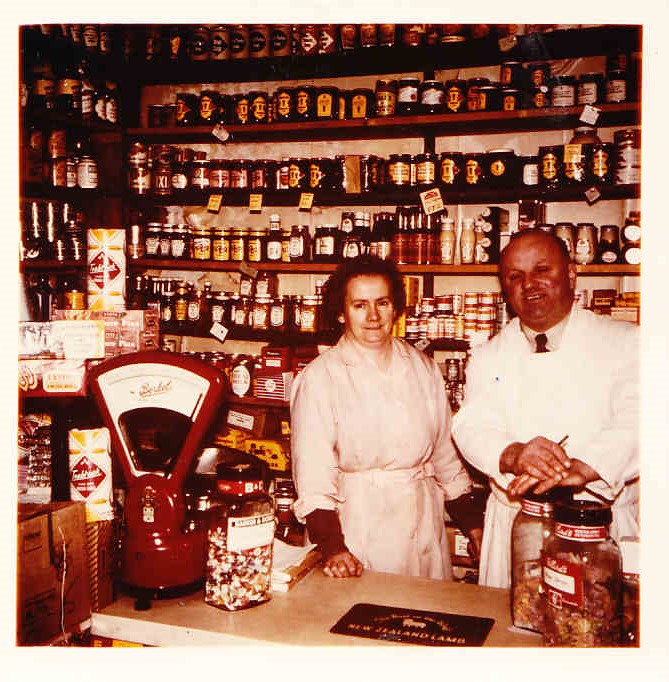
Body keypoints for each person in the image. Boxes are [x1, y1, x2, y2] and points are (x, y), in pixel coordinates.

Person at [452, 229, 639, 589]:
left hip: (595, 523)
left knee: (589, 629)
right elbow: (473, 425)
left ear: (571, 274)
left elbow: (643, 420)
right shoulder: (489, 353)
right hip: (515, 522)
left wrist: (584, 467)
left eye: (542, 270)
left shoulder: (626, 342)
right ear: (504, 288)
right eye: (515, 277)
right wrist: (513, 454)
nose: (530, 285)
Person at [290, 255, 483, 579]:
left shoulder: (422, 366)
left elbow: (445, 457)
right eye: (359, 305)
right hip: (357, 529)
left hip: (422, 523)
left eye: (382, 302)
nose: (373, 316)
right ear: (341, 312)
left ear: (396, 307)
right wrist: (334, 547)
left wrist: (473, 523)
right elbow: (313, 477)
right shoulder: (321, 378)